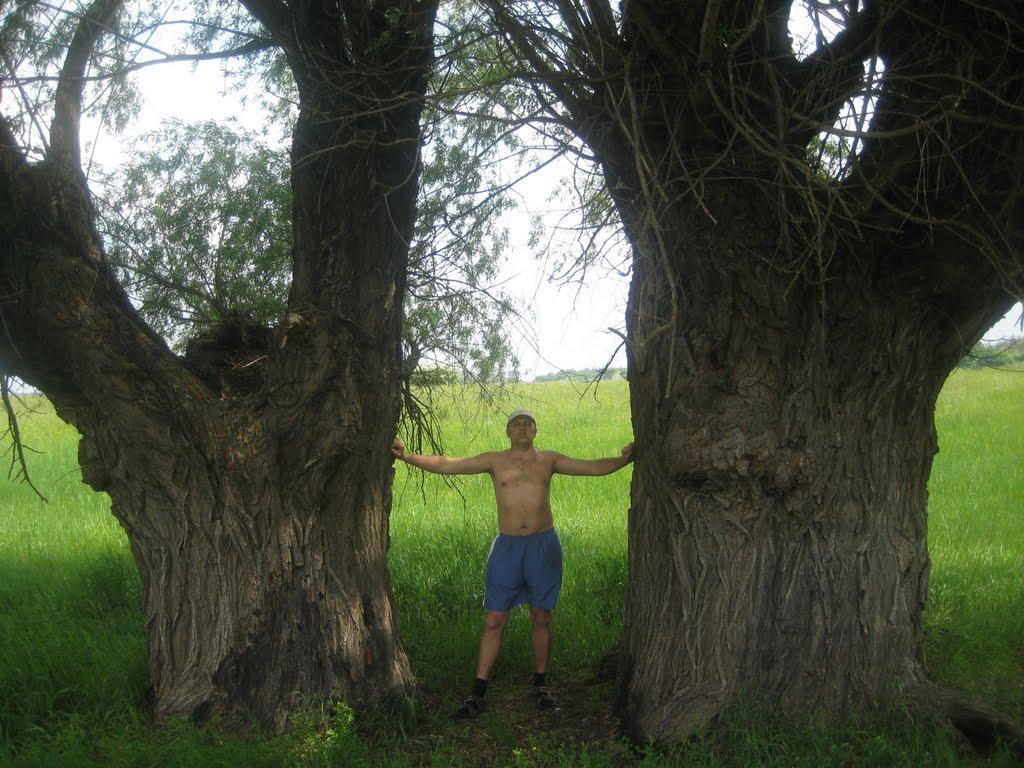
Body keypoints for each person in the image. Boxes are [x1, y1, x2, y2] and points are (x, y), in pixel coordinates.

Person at [391, 409, 634, 718]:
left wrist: (626, 458)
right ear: (507, 431)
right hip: (507, 548)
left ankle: (541, 684)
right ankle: (477, 692)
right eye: (516, 423)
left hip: (543, 545)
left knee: (541, 615)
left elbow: (593, 467)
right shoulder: (495, 461)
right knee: (494, 618)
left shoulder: (549, 460)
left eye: (528, 423)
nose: (522, 426)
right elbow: (449, 464)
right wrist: (407, 456)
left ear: (535, 431)